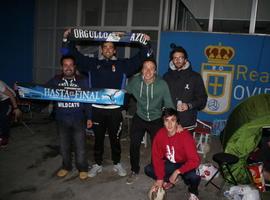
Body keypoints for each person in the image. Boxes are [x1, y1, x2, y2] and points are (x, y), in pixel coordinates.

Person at [61, 29, 152, 177]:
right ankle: (97, 164)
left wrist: (145, 42)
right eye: (105, 47)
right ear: (102, 50)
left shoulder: (123, 65)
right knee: (98, 140)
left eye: (111, 47)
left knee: (115, 139)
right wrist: (66, 39)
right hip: (96, 109)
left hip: (115, 111)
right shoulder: (92, 64)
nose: (108, 49)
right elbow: (72, 55)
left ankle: (117, 163)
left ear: (115, 50)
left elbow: (142, 58)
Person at [125, 58, 175, 184]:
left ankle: (155, 170)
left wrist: (174, 123)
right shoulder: (135, 82)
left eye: (151, 68)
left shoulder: (162, 84)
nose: (148, 71)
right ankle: (134, 170)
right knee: (134, 144)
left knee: (157, 148)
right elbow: (125, 92)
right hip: (140, 117)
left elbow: (169, 104)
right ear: (141, 70)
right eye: (145, 67)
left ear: (155, 70)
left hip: (156, 119)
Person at [47, 55, 92, 180]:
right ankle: (66, 167)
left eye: (70, 65)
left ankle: (82, 168)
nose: (68, 67)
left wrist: (89, 117)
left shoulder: (83, 80)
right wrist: (23, 90)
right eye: (65, 65)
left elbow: (88, 100)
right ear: (62, 67)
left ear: (74, 67)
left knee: (80, 147)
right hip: (61, 120)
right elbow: (42, 92)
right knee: (64, 146)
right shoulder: (55, 80)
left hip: (79, 119)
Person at [144, 108, 201, 200]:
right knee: (148, 169)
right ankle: (168, 181)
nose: (170, 124)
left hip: (186, 163)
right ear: (163, 122)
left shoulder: (185, 136)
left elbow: (195, 160)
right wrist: (160, 178)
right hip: (171, 162)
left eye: (173, 120)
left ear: (177, 122)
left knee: (194, 177)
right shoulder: (160, 135)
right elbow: (157, 158)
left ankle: (193, 192)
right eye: (167, 121)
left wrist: (177, 171)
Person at [163, 45, 207, 130]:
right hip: (170, 123)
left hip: (187, 123)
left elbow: (203, 99)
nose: (178, 60)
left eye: (180, 58)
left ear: (185, 59)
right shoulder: (166, 77)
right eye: (175, 58)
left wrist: (189, 105)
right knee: (169, 144)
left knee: (185, 144)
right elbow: (162, 98)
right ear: (172, 60)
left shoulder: (195, 77)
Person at [0, 80, 22, 148]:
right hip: (1, 100)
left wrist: (16, 108)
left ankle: (4, 138)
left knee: (3, 116)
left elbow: (11, 95)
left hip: (10, 99)